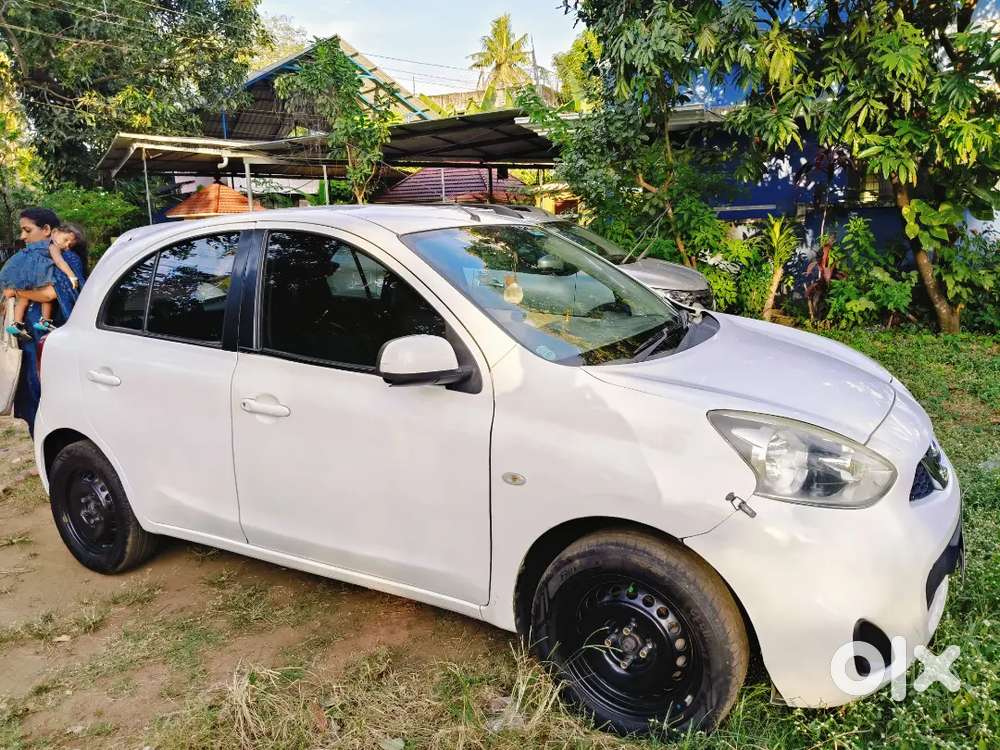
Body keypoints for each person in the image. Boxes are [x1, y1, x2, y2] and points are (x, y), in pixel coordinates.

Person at [5, 208, 87, 436]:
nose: (23, 236)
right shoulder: (34, 258)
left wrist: (19, 292)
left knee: (54, 404)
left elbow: (53, 293)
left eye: (27, 230)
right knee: (35, 405)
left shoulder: (66, 256)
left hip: (52, 343)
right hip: (31, 341)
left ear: (47, 230)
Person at [0, 221, 83, 338]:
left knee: (22, 298)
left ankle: (17, 324)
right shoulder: (52, 245)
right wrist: (71, 275)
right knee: (45, 297)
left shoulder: (32, 247)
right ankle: (45, 320)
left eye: (70, 245)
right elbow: (59, 262)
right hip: (38, 273)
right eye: (65, 240)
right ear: (54, 232)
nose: (66, 246)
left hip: (22, 272)